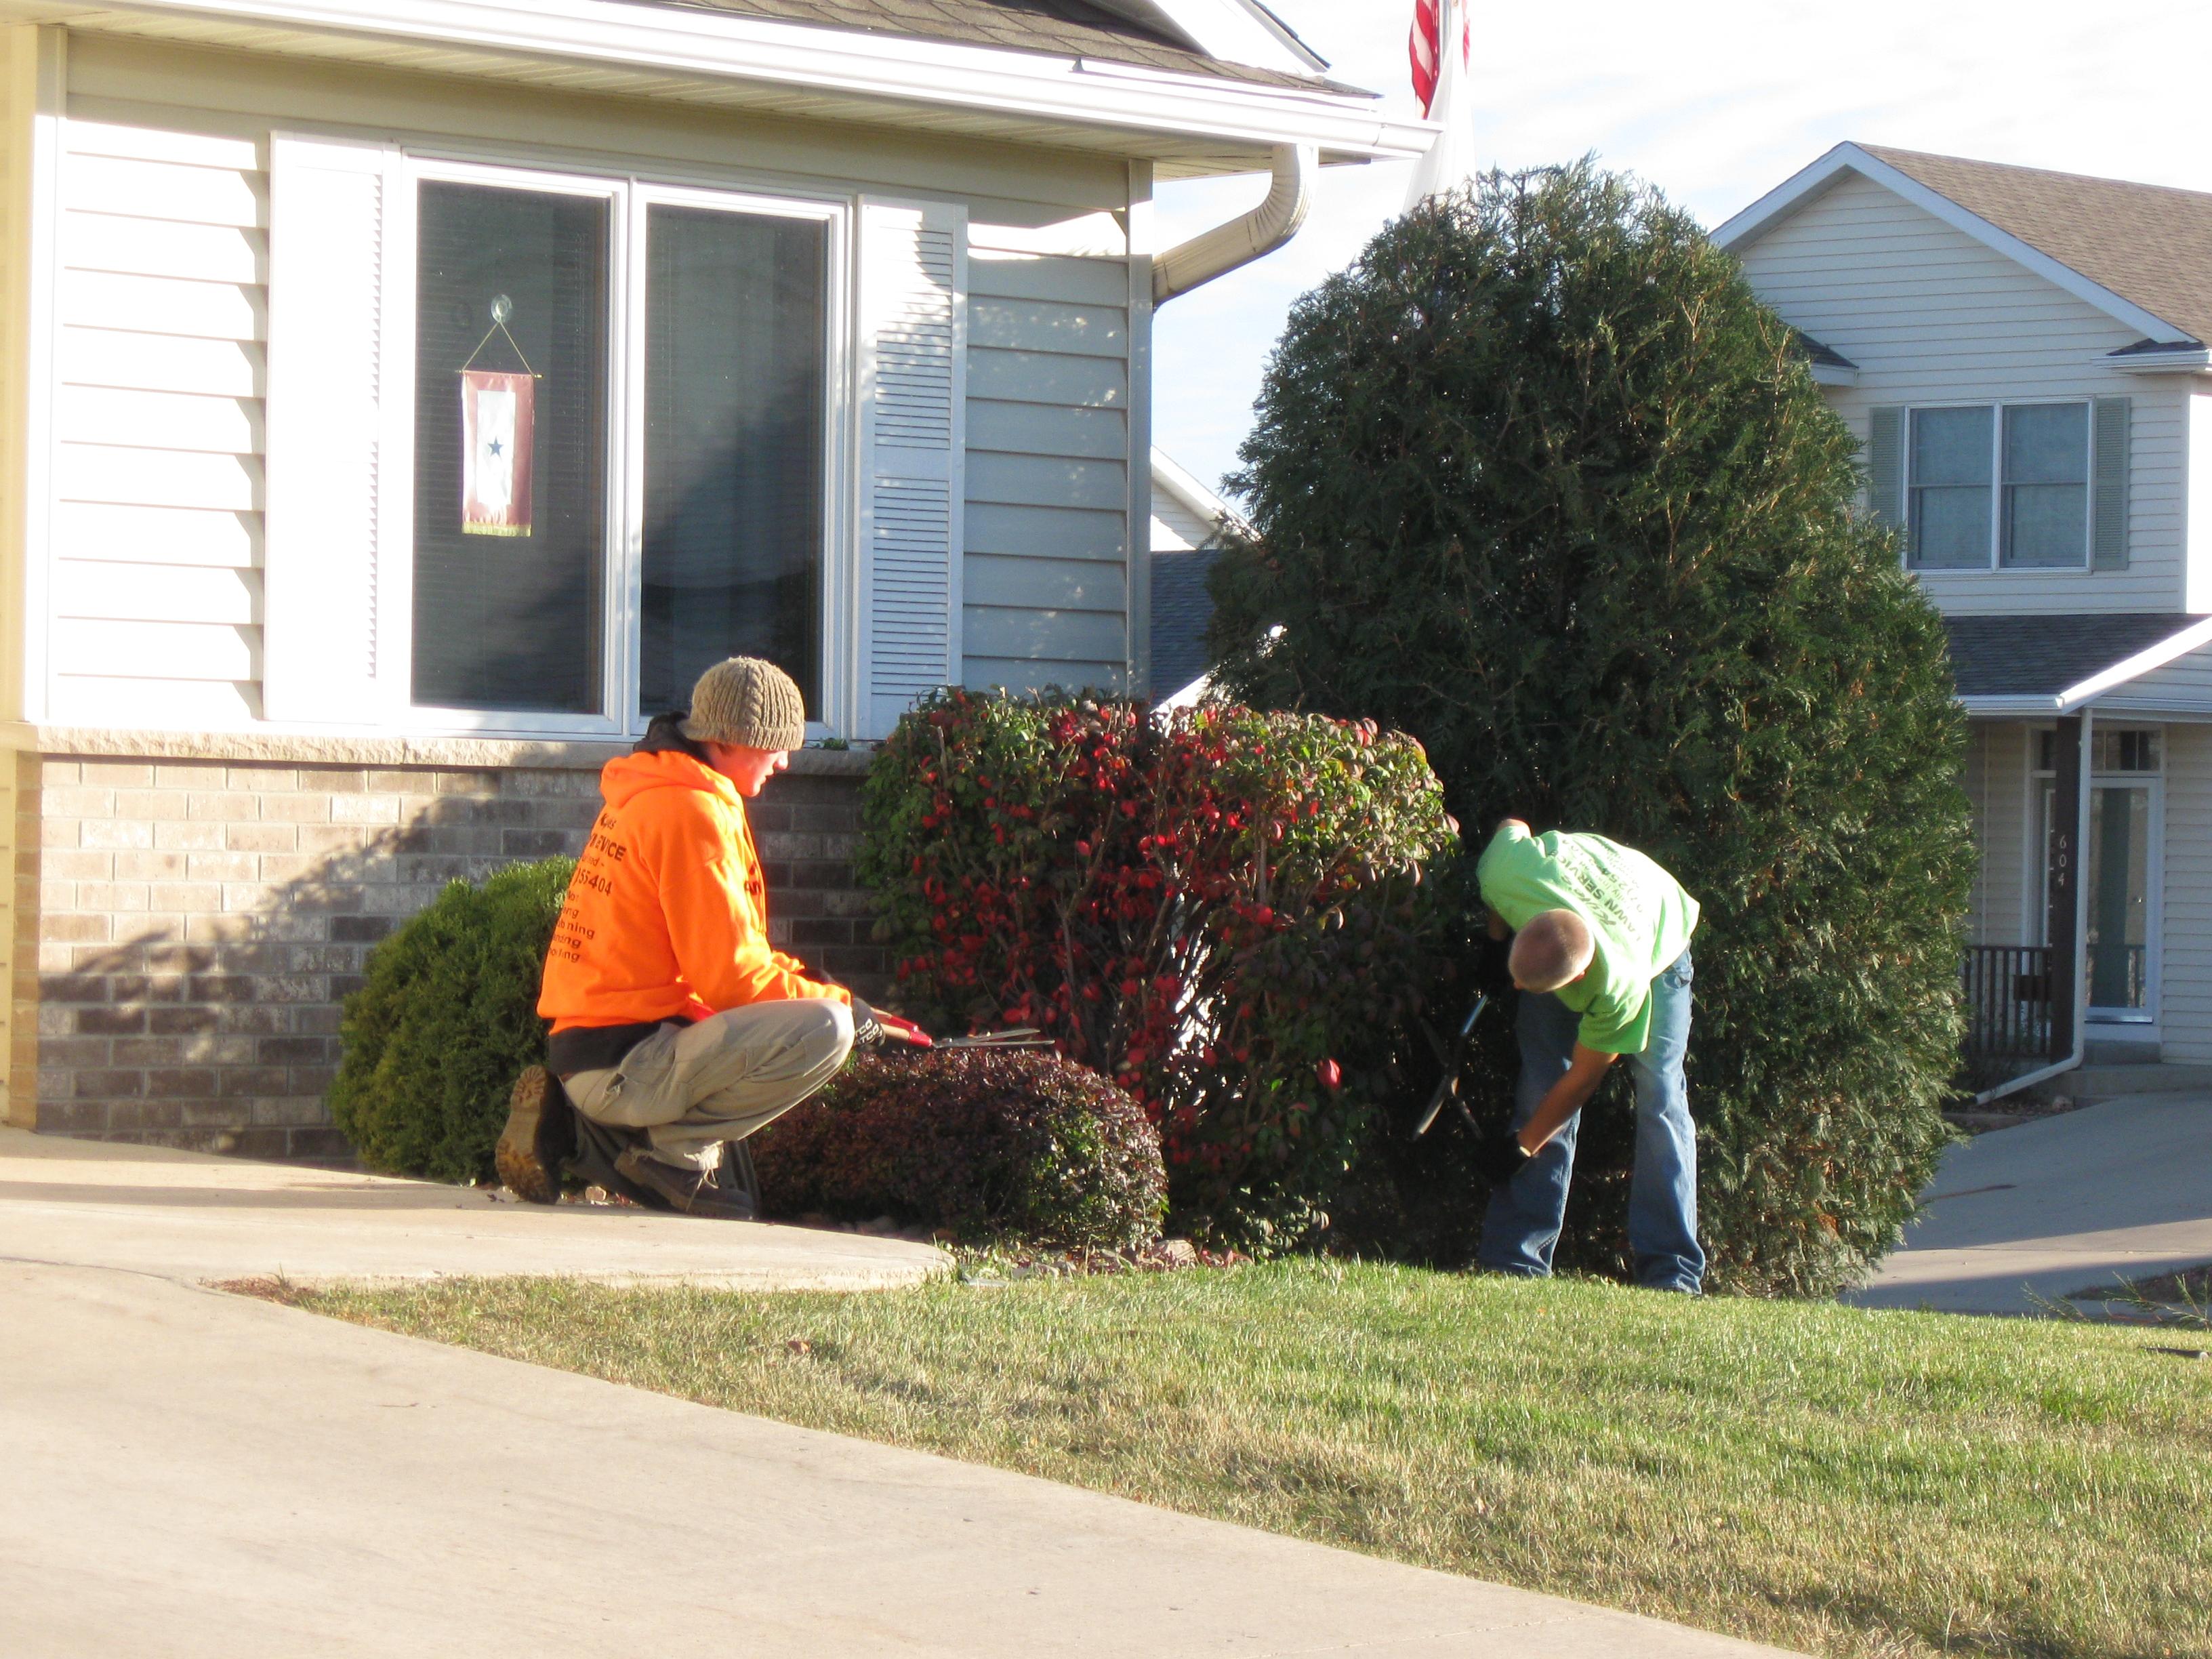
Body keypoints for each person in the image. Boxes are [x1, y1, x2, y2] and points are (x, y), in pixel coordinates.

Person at [497, 656, 926, 1219]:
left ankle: (580, 1131)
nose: (785, 761)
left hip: (601, 1048)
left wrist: (818, 984)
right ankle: (668, 1157)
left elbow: (734, 954)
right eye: (775, 745)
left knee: (820, 1015)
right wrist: (847, 1008)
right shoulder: (692, 811)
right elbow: (732, 982)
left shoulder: (661, 793)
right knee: (826, 1030)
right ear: (731, 740)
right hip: (629, 1061)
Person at [1471, 818, 1704, 1292]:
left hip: (1656, 925)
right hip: (1576, 905)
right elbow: (1512, 827)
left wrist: (1520, 1147)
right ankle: (1515, 1262)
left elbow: (1582, 1080)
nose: (1516, 988)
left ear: (1576, 982)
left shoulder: (1619, 985)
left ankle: (1672, 1274)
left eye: (1525, 986)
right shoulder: (1508, 873)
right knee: (1539, 1084)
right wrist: (1496, 942)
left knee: (1660, 1096)